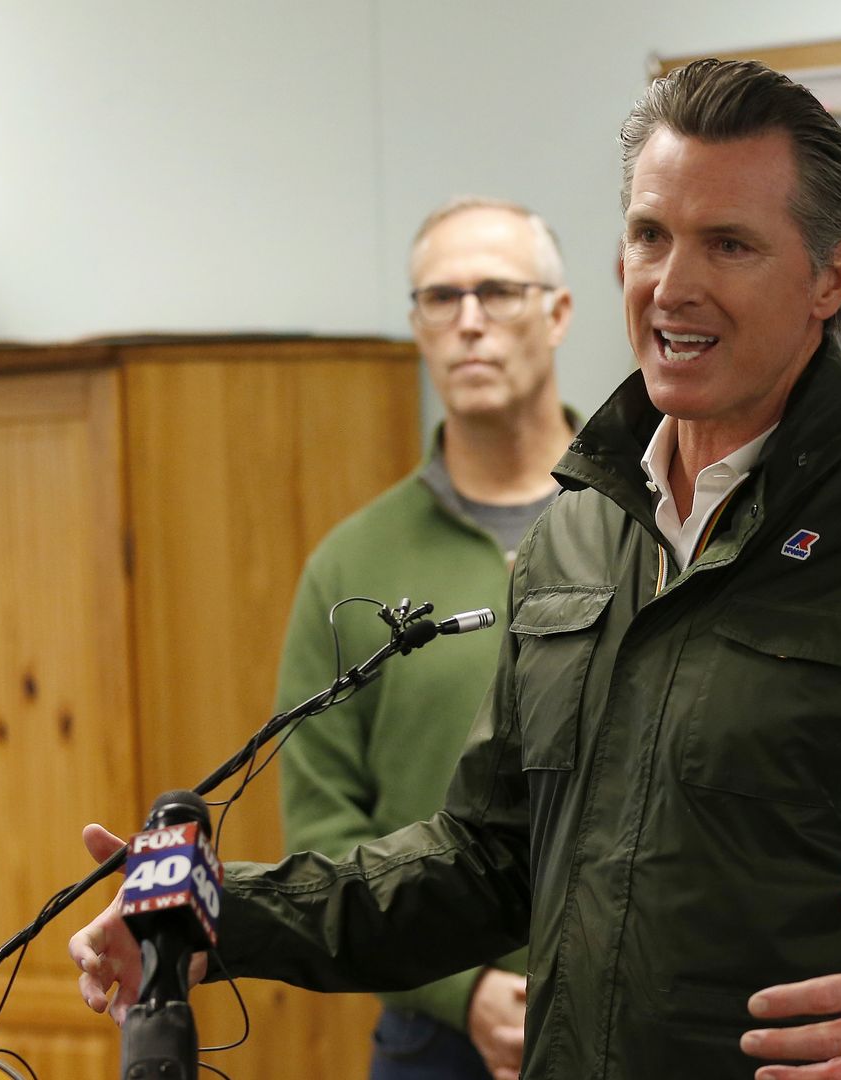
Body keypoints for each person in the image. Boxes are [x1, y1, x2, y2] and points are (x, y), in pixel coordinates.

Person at [72, 59, 841, 1079]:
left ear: (830, 277)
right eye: (648, 236)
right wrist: (222, 914)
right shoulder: (576, 535)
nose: (674, 286)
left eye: (729, 245)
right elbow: (487, 863)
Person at [273, 197, 581, 1079]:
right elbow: (325, 829)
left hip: (642, 1014)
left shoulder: (650, 519)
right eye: (441, 299)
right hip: (438, 1033)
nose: (470, 324)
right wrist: (462, 988)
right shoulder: (353, 566)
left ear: (558, 313)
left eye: (498, 292)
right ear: (416, 326)